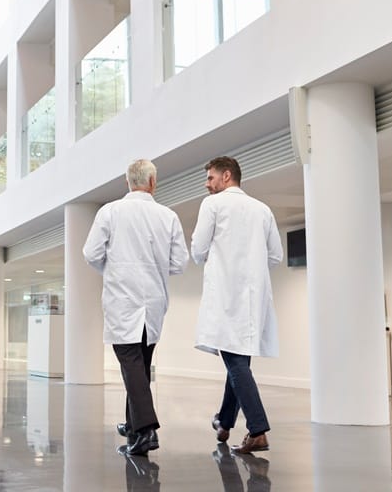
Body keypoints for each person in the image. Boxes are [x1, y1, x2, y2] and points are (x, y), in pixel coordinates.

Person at [83, 159, 189, 456]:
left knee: (131, 365)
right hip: (153, 303)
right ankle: (133, 425)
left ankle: (145, 430)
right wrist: (155, 268)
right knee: (139, 365)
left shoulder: (110, 212)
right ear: (153, 182)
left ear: (127, 182)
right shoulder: (168, 216)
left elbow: (91, 253)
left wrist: (113, 269)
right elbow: (179, 263)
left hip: (122, 300)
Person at [191, 156, 282, 454]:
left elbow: (198, 249)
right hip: (253, 298)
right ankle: (224, 421)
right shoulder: (262, 209)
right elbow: (275, 256)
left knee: (236, 364)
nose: (207, 184)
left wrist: (217, 259)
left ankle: (258, 430)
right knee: (238, 362)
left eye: (210, 178)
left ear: (227, 176)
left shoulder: (213, 205)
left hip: (226, 295)